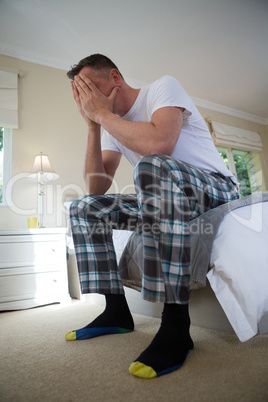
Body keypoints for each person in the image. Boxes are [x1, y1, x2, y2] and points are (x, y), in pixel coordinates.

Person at [65, 54, 239, 379]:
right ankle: (116, 311)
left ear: (115, 77)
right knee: (84, 208)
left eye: (90, 87)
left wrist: (102, 114)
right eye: (80, 92)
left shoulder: (162, 88)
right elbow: (97, 188)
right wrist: (93, 125)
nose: (87, 98)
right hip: (166, 197)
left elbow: (160, 144)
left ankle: (176, 322)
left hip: (215, 190)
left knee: (151, 164)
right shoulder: (111, 125)